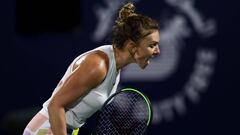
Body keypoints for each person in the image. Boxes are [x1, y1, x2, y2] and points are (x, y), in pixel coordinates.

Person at [23, 2, 160, 135]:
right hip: (45, 129)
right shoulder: (98, 65)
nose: (157, 51)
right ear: (132, 47)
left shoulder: (115, 66)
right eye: (152, 45)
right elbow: (55, 105)